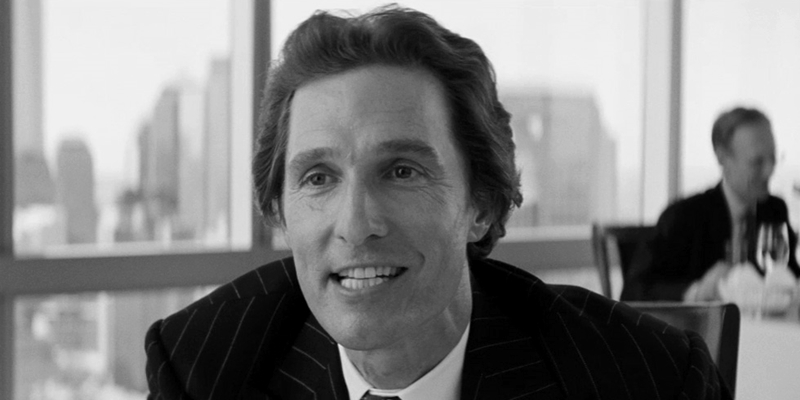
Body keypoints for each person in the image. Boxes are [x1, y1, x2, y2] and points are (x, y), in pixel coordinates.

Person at [145, 5, 729, 399]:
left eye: (401, 171)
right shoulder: (205, 367)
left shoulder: (644, 378)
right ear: (279, 210)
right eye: (319, 178)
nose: (355, 225)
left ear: (481, 203)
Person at [624, 106, 799, 302]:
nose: (769, 171)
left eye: (773, 158)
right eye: (757, 162)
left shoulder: (774, 211)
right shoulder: (685, 216)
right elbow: (634, 290)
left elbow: (790, 278)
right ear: (723, 157)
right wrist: (696, 292)